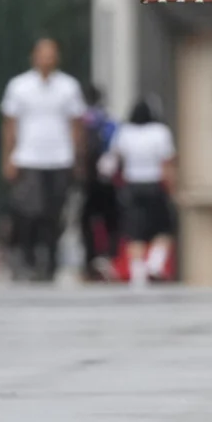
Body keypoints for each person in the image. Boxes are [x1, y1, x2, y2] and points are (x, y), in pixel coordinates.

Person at [0, 38, 86, 281]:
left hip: (60, 158)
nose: (47, 59)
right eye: (42, 54)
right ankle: (26, 257)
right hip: (28, 158)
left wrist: (78, 159)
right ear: (34, 57)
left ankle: (50, 262)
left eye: (51, 54)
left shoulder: (69, 87)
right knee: (28, 211)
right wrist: (9, 158)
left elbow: (76, 124)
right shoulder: (19, 86)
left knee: (54, 213)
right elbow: (9, 125)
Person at [103, 99, 176, 286]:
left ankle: (138, 273)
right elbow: (167, 163)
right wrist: (172, 187)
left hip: (131, 185)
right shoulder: (161, 132)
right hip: (154, 184)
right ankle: (155, 263)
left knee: (135, 231)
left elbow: (114, 159)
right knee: (163, 228)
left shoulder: (125, 132)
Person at [78, 83, 120, 280]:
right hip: (106, 179)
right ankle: (110, 258)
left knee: (86, 221)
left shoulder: (81, 122)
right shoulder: (109, 121)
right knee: (110, 221)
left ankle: (90, 262)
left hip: (86, 179)